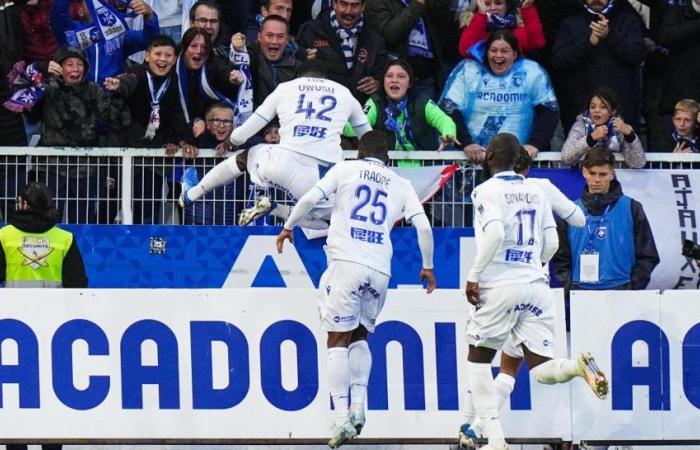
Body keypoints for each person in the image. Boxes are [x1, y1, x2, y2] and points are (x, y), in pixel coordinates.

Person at [275, 130, 436, 448]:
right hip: (379, 271)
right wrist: (428, 266)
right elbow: (424, 226)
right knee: (361, 336)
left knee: (336, 338)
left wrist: (288, 226)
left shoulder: (345, 169)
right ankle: (359, 408)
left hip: (346, 264)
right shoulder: (400, 184)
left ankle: (338, 420)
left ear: (360, 152)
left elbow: (309, 198)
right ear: (388, 156)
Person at [463, 133, 607, 450]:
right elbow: (555, 241)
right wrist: (535, 265)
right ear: (519, 160)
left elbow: (496, 233)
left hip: (500, 286)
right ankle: (576, 367)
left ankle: (495, 439)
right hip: (537, 287)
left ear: (489, 158)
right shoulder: (537, 190)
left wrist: (474, 276)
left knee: (477, 359)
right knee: (541, 368)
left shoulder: (485, 190)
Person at [178, 59, 372, 227]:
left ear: (297, 76)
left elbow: (246, 131)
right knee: (329, 222)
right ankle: (278, 209)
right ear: (327, 78)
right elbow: (368, 137)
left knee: (245, 157)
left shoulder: (286, 88)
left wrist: (233, 139)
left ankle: (192, 194)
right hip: (322, 176)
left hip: (283, 163)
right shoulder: (344, 93)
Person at [0, 184, 86, 449]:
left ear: (24, 204)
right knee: (51, 397)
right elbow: (79, 286)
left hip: (14, 329)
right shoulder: (64, 239)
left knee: (17, 397)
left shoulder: (4, 236)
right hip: (54, 329)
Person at [440, 30, 559, 162]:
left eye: (504, 51)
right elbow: (449, 109)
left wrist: (535, 144)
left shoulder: (531, 72)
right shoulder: (469, 71)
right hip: (473, 161)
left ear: (514, 54)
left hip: (518, 162)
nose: (498, 55)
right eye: (493, 50)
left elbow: (549, 111)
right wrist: (466, 143)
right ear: (487, 52)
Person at [553, 148, 660, 292]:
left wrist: (632, 288)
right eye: (592, 173)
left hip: (622, 291)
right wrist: (570, 288)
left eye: (603, 174)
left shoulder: (632, 207)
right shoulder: (570, 210)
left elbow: (648, 255)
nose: (597, 179)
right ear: (584, 172)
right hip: (580, 293)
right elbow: (560, 258)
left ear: (612, 174)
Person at [551, 0, 646, 133]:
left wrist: (609, 35)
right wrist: (588, 43)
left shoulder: (628, 21)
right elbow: (559, 60)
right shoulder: (570, 23)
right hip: (580, 112)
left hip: (621, 110)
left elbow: (636, 55)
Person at [353, 59, 460, 167]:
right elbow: (357, 125)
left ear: (409, 83)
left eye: (401, 76)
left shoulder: (422, 102)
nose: (394, 80)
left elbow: (444, 120)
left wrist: (448, 133)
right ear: (383, 81)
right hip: (387, 170)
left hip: (423, 172)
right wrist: (341, 123)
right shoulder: (375, 102)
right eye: (389, 76)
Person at [297, 0, 387, 104]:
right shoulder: (310, 31)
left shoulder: (375, 39)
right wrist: (303, 58)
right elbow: (294, 69)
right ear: (334, 3)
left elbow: (383, 76)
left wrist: (378, 84)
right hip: (320, 109)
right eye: (344, 4)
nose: (348, 11)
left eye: (354, 5)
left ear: (363, 7)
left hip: (360, 112)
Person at [50, 0, 161, 83]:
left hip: (111, 99)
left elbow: (150, 41)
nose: (98, 4)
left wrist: (149, 16)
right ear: (81, 11)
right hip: (79, 99)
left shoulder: (119, 33)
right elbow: (58, 14)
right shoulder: (72, 32)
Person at [365, 0, 451, 99]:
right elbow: (391, 34)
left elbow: (442, 24)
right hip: (395, 77)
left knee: (426, 113)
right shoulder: (376, 2)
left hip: (426, 77)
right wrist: (418, 3)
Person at [561, 88, 646, 168]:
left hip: (614, 178)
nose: (596, 110)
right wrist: (591, 139)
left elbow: (638, 163)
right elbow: (566, 158)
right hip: (584, 178)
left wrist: (630, 136)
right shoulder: (581, 126)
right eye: (593, 107)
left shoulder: (620, 128)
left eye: (603, 107)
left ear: (613, 111)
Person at [458, 0, 545, 57]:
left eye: (498, 3)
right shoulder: (475, 25)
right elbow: (465, 50)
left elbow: (537, 43)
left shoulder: (515, 29)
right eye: (487, 4)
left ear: (507, 6)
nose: (492, 8)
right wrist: (481, 15)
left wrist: (527, 8)